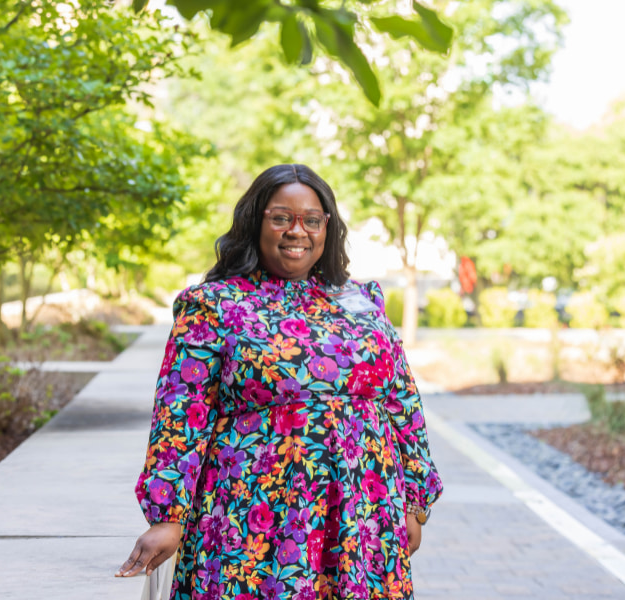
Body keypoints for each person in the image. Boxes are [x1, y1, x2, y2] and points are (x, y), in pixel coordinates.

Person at [117, 164, 443, 599]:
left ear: (327, 227)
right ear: (256, 222)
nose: (297, 231)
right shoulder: (213, 305)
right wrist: (168, 515)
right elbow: (180, 414)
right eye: (281, 217)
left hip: (360, 513)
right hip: (254, 516)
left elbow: (402, 402)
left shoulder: (362, 302)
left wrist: (414, 505)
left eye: (311, 219)